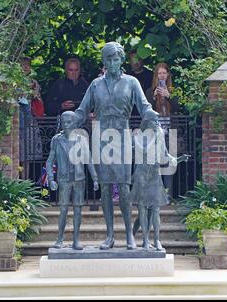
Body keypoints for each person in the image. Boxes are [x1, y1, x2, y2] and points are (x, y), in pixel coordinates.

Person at [74, 42, 154, 250]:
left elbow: (144, 106)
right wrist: (71, 120)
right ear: (104, 61)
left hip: (121, 135)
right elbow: (82, 110)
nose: (111, 63)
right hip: (101, 136)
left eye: (115, 59)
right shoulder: (95, 85)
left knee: (124, 187)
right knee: (106, 188)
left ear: (121, 60)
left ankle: (129, 234)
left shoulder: (131, 82)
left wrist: (151, 114)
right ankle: (109, 235)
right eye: (108, 59)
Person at [131, 110, 190, 250]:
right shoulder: (137, 137)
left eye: (158, 121)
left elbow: (164, 155)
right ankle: (143, 239)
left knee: (155, 209)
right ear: (147, 122)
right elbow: (139, 152)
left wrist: (178, 159)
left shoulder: (159, 135)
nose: (158, 123)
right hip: (141, 175)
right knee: (143, 211)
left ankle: (156, 239)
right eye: (155, 120)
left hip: (154, 174)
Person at [45, 111, 99, 250]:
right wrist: (51, 178)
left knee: (78, 211)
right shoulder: (57, 140)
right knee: (63, 210)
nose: (66, 125)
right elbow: (50, 162)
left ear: (75, 123)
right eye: (64, 122)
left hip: (79, 179)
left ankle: (76, 240)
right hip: (64, 179)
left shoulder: (82, 140)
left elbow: (89, 160)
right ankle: (60, 239)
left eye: (69, 122)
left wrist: (95, 178)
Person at [145, 62, 180, 201]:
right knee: (155, 164)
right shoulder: (149, 91)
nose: (162, 76)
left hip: (170, 131)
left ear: (168, 75)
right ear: (156, 75)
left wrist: (169, 95)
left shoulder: (174, 90)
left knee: (169, 164)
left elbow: (179, 108)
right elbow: (146, 111)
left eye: (164, 73)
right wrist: (154, 97)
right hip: (155, 133)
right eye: (159, 73)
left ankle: (168, 196)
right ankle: (156, 195)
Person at [127, 51, 153, 117]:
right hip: (130, 114)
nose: (136, 62)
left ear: (142, 60)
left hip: (146, 113)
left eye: (138, 59)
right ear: (130, 61)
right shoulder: (126, 77)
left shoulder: (150, 76)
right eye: (133, 60)